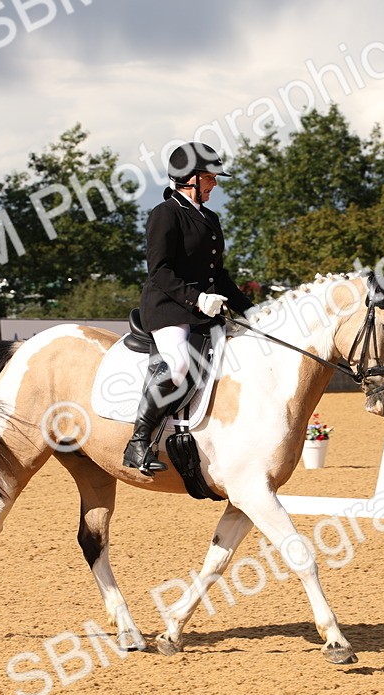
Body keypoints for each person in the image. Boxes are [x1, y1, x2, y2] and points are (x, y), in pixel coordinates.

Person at [122, 142, 256, 475]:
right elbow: (160, 270)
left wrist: (251, 310)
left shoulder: (209, 218)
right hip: (168, 307)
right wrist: (197, 299)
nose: (214, 184)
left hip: (204, 311)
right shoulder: (165, 214)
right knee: (179, 364)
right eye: (210, 178)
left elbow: (218, 275)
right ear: (190, 179)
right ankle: (138, 443)